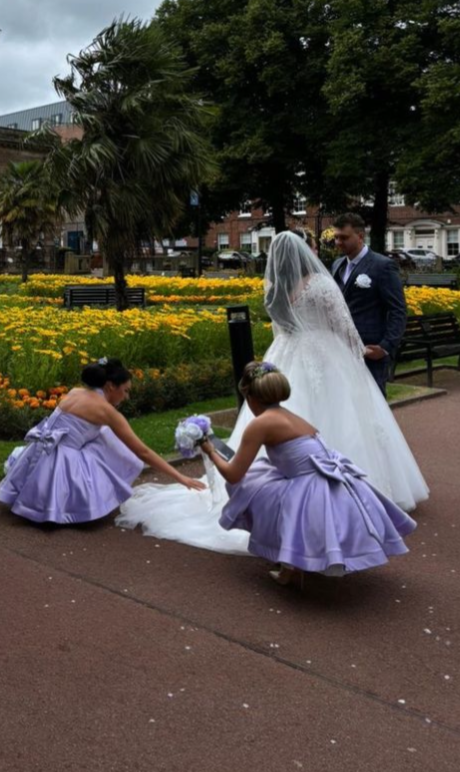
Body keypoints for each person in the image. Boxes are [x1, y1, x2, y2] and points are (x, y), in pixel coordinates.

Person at [115, 232, 427, 555]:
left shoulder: (275, 290)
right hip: (326, 353)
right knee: (341, 417)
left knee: (274, 412)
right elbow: (343, 327)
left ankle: (278, 496)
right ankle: (347, 495)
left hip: (286, 353)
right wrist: (360, 355)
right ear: (305, 252)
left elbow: (282, 328)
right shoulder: (320, 284)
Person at [202, 362, 416, 586]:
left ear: (249, 396)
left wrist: (210, 451)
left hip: (311, 483)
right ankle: (291, 564)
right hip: (334, 479)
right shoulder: (291, 415)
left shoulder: (261, 423)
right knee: (261, 477)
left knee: (253, 488)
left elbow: (234, 474)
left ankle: (290, 563)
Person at [0, 357, 205, 525]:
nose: (127, 397)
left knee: (103, 434)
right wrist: (181, 478)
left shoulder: (75, 392)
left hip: (38, 449)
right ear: (110, 386)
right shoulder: (106, 412)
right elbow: (142, 452)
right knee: (108, 439)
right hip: (61, 458)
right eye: (125, 390)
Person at [331, 212, 407, 396]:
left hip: (370, 351)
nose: (339, 242)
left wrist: (386, 346)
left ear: (360, 236)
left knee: (374, 407)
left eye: (344, 238)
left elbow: (398, 310)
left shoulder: (382, 266)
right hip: (340, 349)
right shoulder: (337, 265)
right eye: (336, 238)